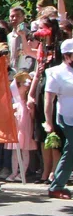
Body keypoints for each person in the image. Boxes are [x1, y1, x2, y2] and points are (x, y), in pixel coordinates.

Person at [43, 38, 73, 200]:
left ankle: (57, 186)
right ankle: (57, 186)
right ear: (66, 55)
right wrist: (48, 122)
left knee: (70, 152)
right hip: (67, 117)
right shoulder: (56, 73)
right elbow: (49, 100)